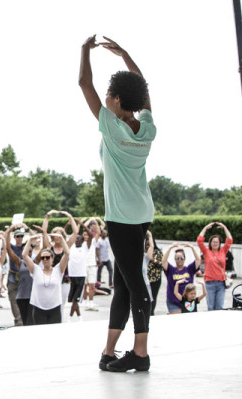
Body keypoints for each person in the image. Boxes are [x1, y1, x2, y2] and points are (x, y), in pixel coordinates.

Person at [79, 35, 156, 372]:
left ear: (119, 100)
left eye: (110, 95)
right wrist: (125, 55)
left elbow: (84, 82)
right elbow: (145, 92)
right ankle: (109, 351)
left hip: (122, 217)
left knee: (135, 283)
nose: (106, 98)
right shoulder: (147, 129)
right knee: (123, 283)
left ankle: (140, 353)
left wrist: (84, 50)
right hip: (141, 213)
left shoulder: (111, 128)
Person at [23, 234, 70, 325]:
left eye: (47, 257)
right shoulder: (36, 270)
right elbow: (24, 255)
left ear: (52, 259)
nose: (45, 259)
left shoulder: (58, 269)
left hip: (55, 308)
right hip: (38, 308)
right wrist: (30, 240)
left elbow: (67, 253)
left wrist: (61, 238)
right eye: (42, 257)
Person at [197, 222, 233, 311]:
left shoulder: (223, 251)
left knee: (219, 308)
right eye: (213, 242)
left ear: (220, 243)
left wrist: (224, 227)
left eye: (217, 242)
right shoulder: (206, 251)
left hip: (221, 283)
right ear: (210, 243)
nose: (215, 243)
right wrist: (205, 228)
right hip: (209, 283)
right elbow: (199, 240)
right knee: (211, 308)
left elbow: (230, 240)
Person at [161, 242, 201, 314]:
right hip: (173, 300)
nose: (179, 260)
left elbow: (198, 260)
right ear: (175, 260)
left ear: (184, 259)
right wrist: (170, 247)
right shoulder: (171, 270)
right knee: (177, 320)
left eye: (181, 258)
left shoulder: (189, 269)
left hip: (188, 301)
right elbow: (163, 261)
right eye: (177, 258)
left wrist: (192, 247)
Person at [5, 224, 26, 326]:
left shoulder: (26, 247)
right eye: (18, 236)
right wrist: (9, 230)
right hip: (13, 277)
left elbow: (37, 240)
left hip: (25, 278)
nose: (20, 238)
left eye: (21, 236)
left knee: (25, 300)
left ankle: (24, 319)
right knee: (13, 301)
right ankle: (18, 320)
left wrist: (28, 228)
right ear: (14, 237)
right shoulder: (12, 247)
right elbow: (7, 244)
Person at [145, 234, 164, 316]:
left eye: (150, 244)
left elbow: (161, 264)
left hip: (156, 279)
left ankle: (151, 312)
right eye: (147, 244)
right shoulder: (143, 253)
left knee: (153, 297)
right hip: (145, 279)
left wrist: (152, 258)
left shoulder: (158, 252)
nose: (148, 246)